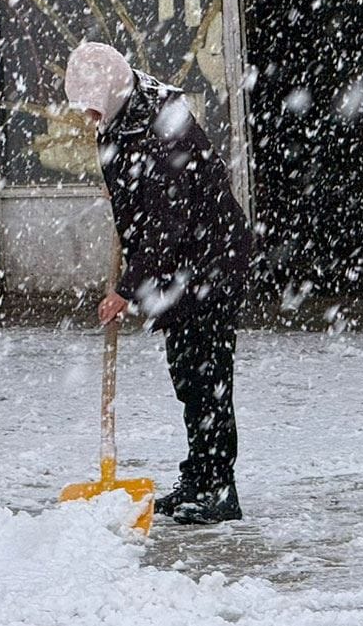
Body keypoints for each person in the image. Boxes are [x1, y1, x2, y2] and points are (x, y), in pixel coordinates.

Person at [64, 41, 252, 525]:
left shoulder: (160, 128)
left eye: (92, 106)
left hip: (208, 263)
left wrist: (126, 289)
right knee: (189, 376)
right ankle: (199, 478)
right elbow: (147, 203)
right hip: (184, 266)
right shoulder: (127, 115)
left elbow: (168, 221)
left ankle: (218, 489)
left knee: (207, 379)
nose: (88, 116)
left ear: (110, 93)